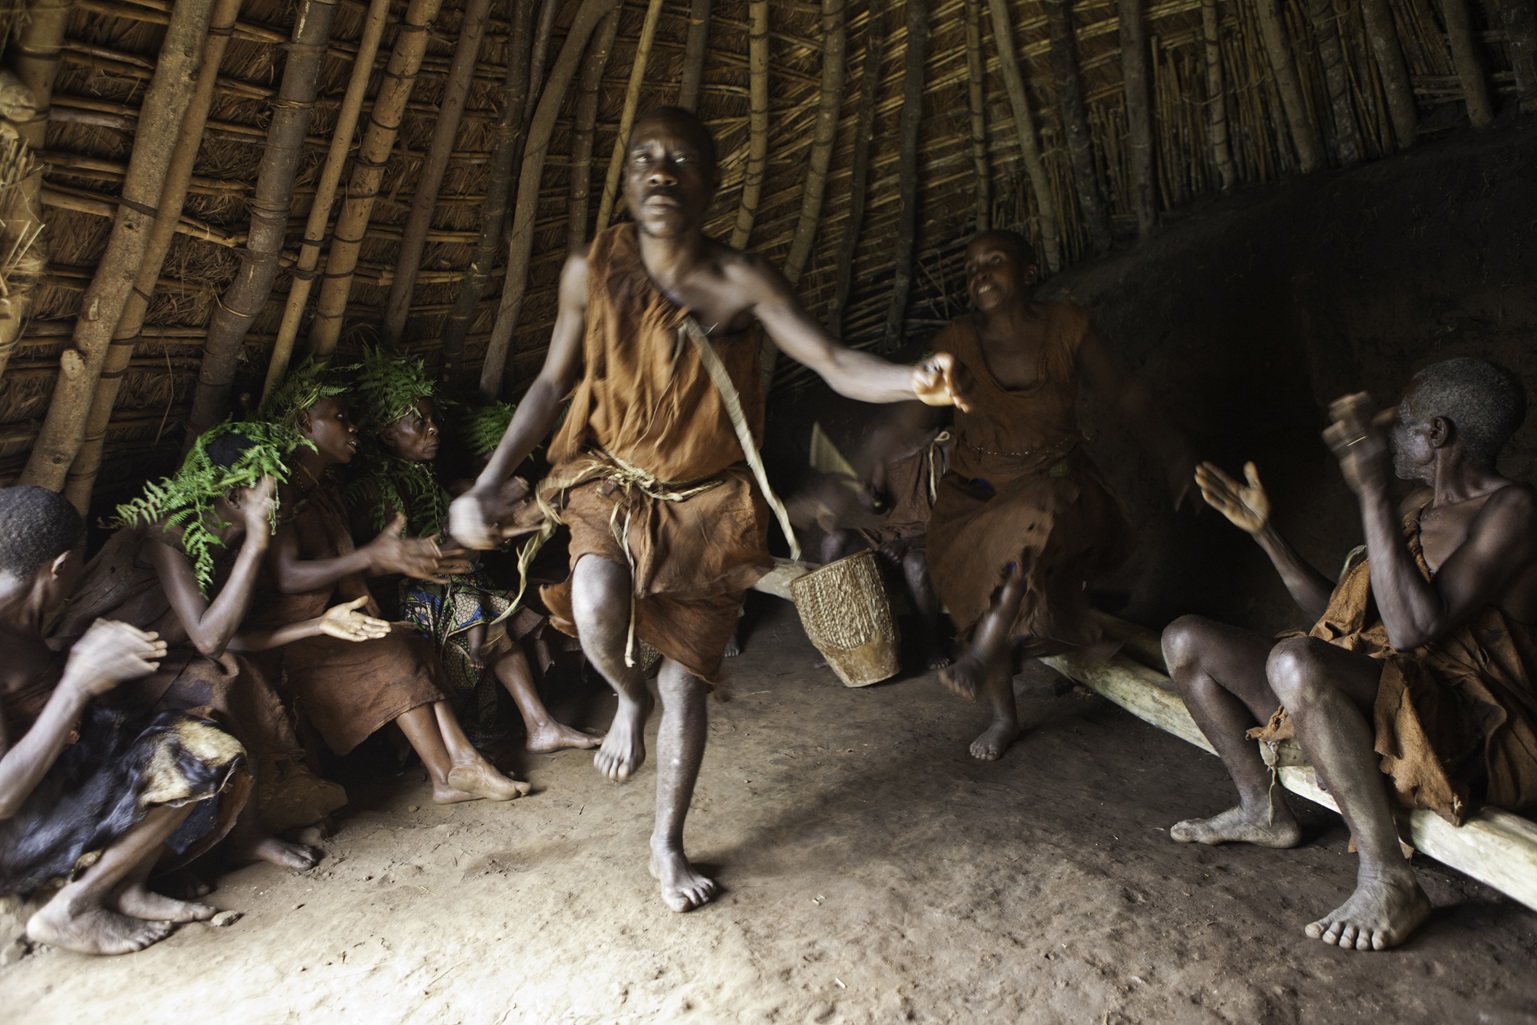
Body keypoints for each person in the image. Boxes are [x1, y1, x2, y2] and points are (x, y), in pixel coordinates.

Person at [448, 107, 970, 912]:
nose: (660, 172)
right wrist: (488, 480)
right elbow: (551, 384)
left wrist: (912, 380)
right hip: (612, 480)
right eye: (644, 158)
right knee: (594, 608)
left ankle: (666, 844)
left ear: (712, 183)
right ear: (624, 178)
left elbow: (832, 361)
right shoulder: (592, 268)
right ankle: (627, 695)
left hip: (708, 505)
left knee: (688, 680)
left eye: (682, 159)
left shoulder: (742, 282)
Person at [1163, 357, 1537, 951]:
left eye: (1401, 420)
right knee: (1185, 640)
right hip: (1383, 691)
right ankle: (1262, 809)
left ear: (1436, 433)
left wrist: (1371, 496)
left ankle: (1388, 877)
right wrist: (1266, 533)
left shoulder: (1513, 510)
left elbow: (1414, 630)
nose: (1383, 434)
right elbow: (1340, 618)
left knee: (1293, 663)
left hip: (1468, 728)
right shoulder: (1415, 506)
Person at [52, 422, 382, 872]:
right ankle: (188, 855)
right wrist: (256, 547)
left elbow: (228, 635)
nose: (282, 501)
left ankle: (244, 835)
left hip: (156, 658)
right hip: (97, 671)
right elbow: (209, 638)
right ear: (232, 497)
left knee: (234, 672)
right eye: (270, 492)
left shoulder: (229, 540)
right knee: (220, 681)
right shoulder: (168, 534)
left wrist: (318, 624)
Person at [928, 228, 1192, 760]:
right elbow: (911, 407)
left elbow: (1125, 392)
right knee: (992, 575)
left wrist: (1177, 455)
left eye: (994, 261)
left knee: (1023, 534)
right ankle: (1004, 717)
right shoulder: (955, 341)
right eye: (970, 267)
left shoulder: (1067, 326)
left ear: (1028, 272)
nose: (980, 274)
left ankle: (982, 656)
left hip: (1060, 494)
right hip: (976, 496)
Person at [259, 366, 529, 804]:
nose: (352, 427)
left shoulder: (322, 487)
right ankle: (449, 774)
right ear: (304, 424)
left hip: (337, 619)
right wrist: (372, 558)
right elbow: (287, 576)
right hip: (299, 634)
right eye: (339, 416)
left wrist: (379, 593)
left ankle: (462, 763)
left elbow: (344, 567)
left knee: (406, 639)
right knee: (396, 651)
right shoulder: (283, 491)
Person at [0, 485, 247, 955]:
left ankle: (125, 888)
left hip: (52, 796)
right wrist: (76, 682)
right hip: (14, 842)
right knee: (196, 754)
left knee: (179, 730)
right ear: (59, 566)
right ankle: (71, 909)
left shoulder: (22, 623)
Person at [349, 348, 597, 754]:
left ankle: (539, 724)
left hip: (444, 582)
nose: (433, 430)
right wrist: (486, 532)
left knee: (476, 589)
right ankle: (514, 729)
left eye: (433, 420)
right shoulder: (377, 487)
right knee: (471, 593)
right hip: (401, 597)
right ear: (386, 433)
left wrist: (500, 529)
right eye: (419, 422)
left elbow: (447, 542)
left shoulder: (425, 477)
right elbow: (406, 560)